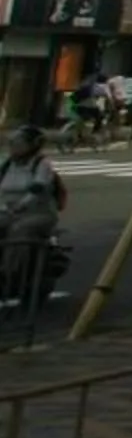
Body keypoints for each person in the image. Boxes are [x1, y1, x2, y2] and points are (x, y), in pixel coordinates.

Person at [1, 124, 64, 304]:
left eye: (19, 143)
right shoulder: (6, 164)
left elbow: (38, 188)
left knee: (20, 230)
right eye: (12, 143)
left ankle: (9, 273)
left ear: (32, 145)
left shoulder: (42, 164)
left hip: (38, 214)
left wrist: (22, 205)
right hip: (8, 212)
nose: (14, 147)